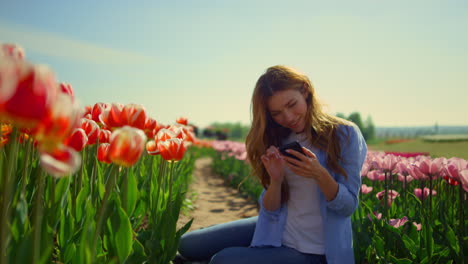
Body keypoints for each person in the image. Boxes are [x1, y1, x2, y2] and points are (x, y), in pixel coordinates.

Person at [176, 65, 367, 264]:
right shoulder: (278, 137)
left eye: (292, 104)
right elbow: (270, 210)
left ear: (305, 90)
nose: (288, 117)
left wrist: (319, 173)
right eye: (277, 113)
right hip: (277, 227)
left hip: (313, 250)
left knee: (222, 260)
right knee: (187, 244)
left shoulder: (344, 134)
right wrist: (276, 181)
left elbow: (348, 207)